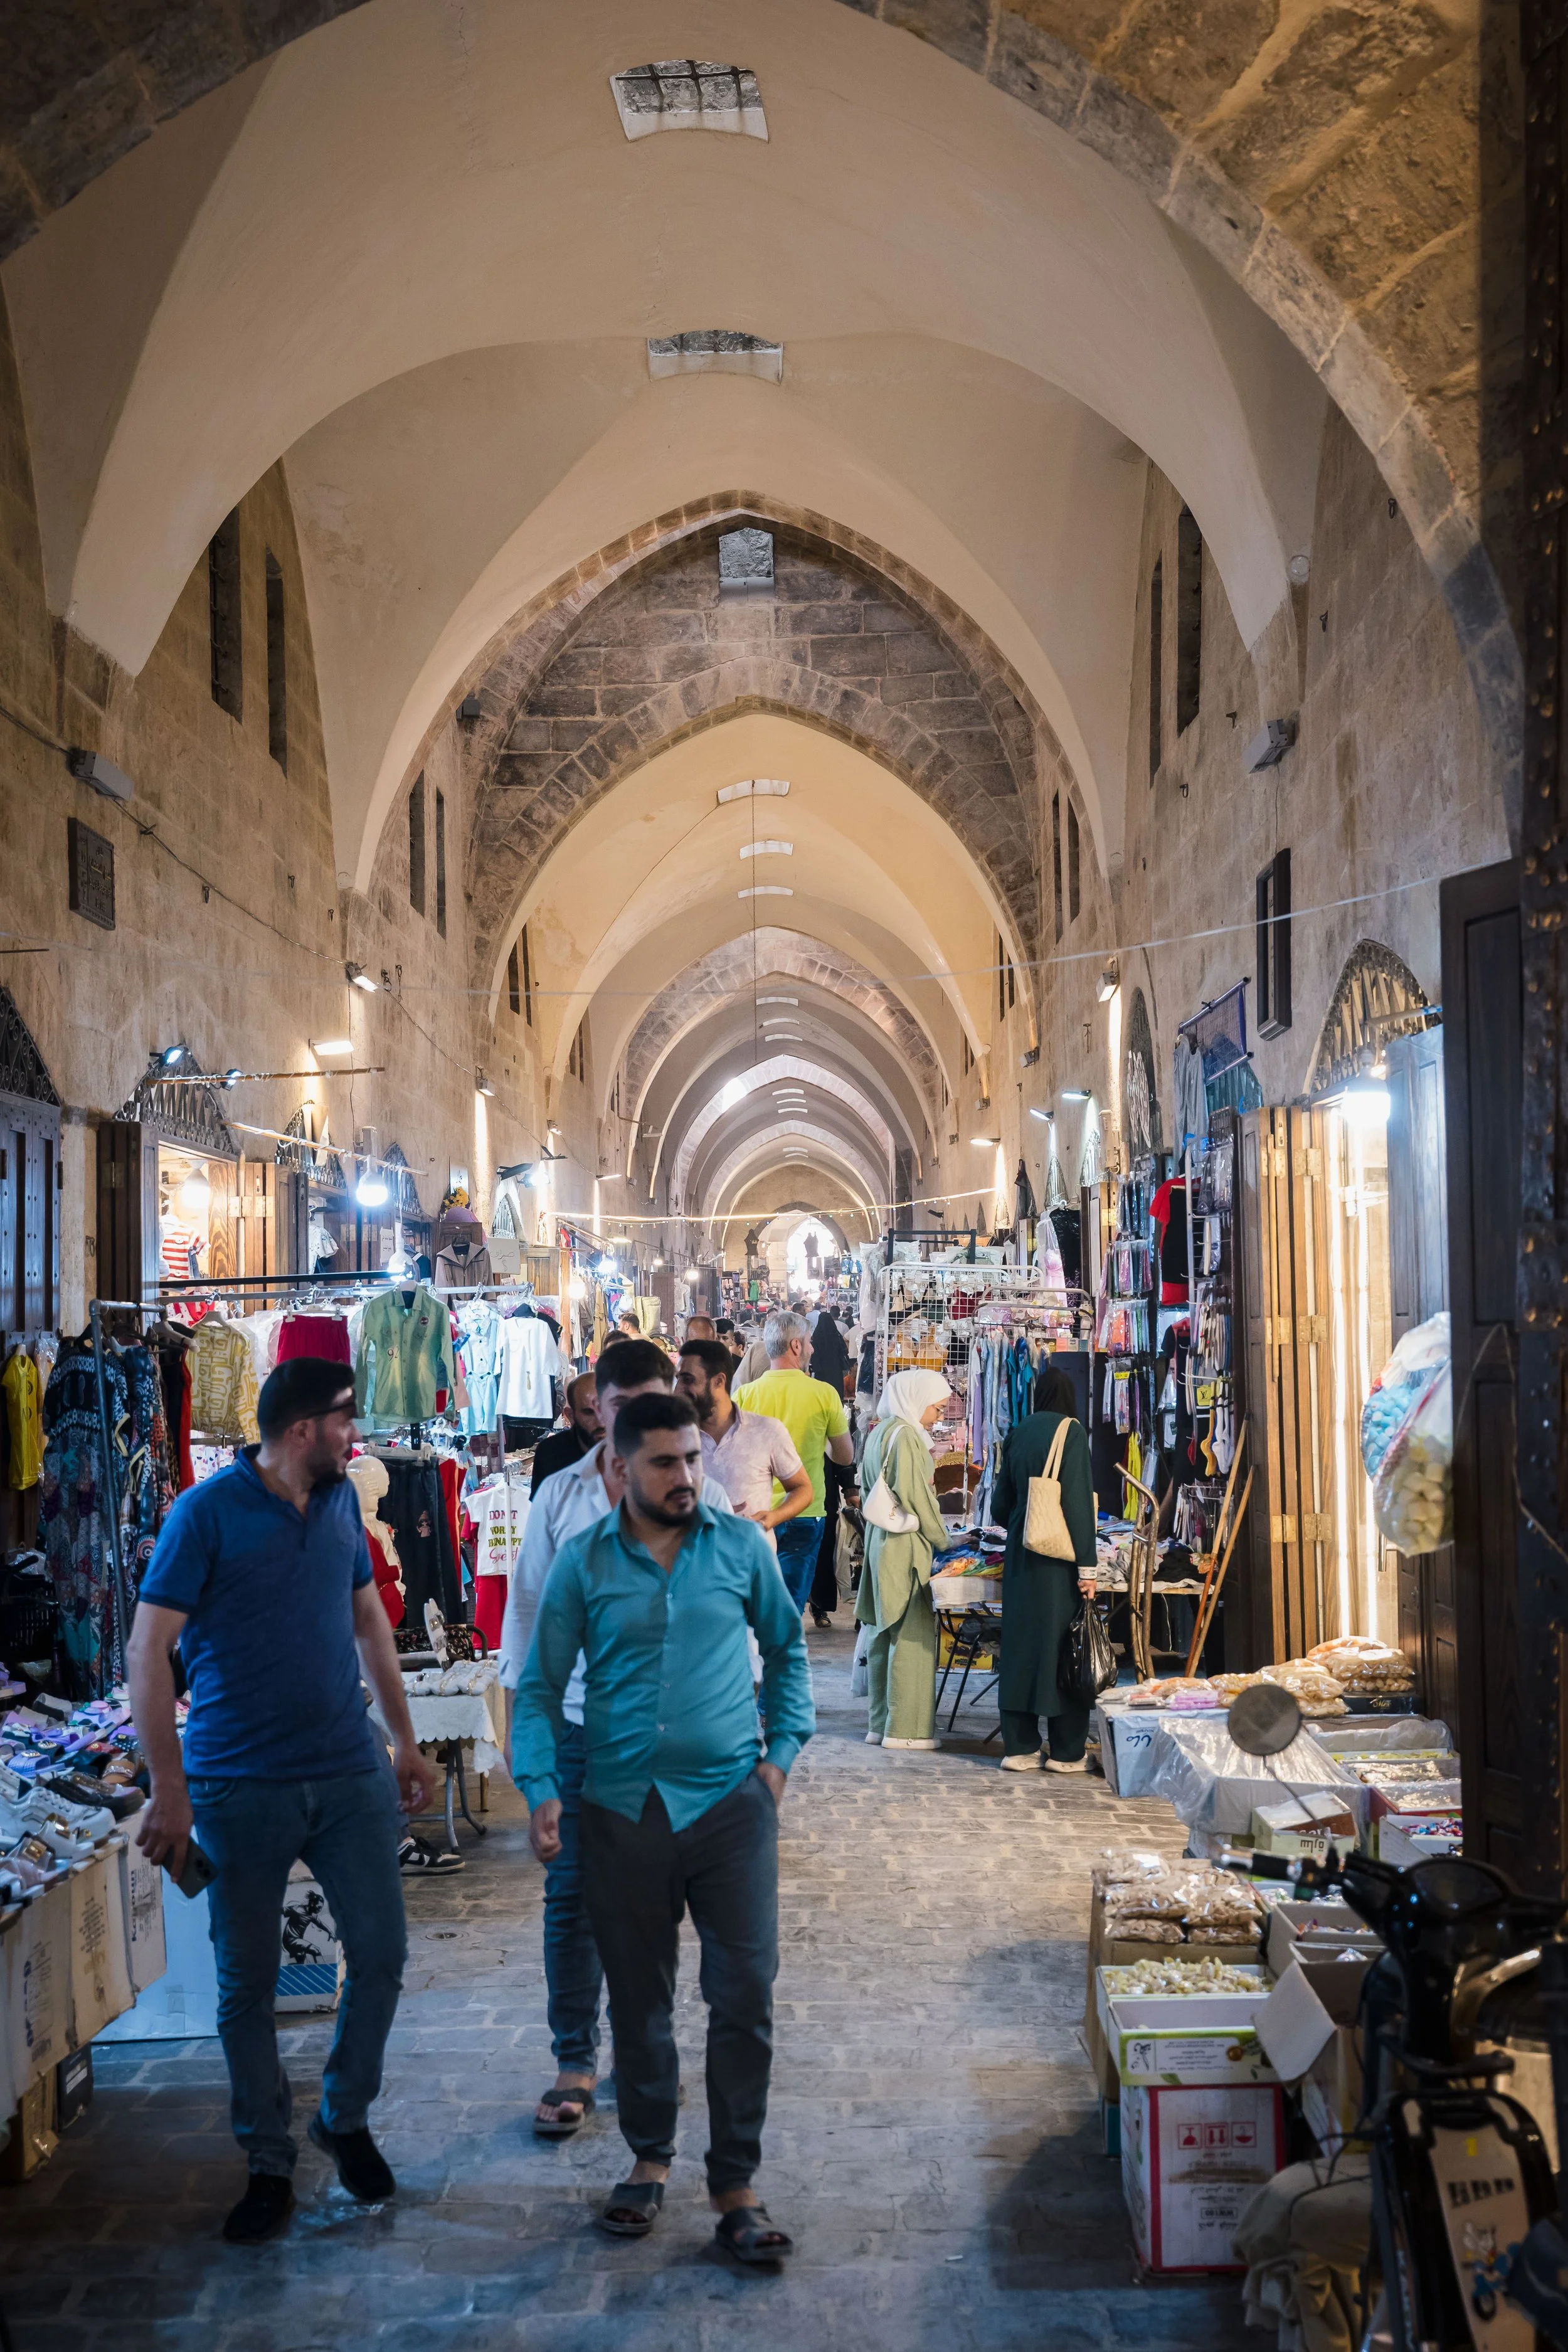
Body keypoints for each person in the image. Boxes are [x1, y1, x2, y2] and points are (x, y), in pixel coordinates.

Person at [127, 1358, 435, 2244]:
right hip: (237, 1784)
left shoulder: (340, 1502)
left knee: (379, 1952)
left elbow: (370, 1617)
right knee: (246, 1986)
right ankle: (267, 2161)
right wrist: (169, 1787)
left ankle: (342, 2112)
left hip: (348, 1771)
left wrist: (405, 1738)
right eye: (344, 1418)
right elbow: (149, 1652)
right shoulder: (205, 1515)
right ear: (302, 1428)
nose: (356, 1431)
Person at [513, 1392, 814, 2262]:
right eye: (665, 1462)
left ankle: (735, 2182)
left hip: (731, 1806)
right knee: (641, 2000)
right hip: (619, 1810)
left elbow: (787, 1651)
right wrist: (539, 1785)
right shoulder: (583, 1564)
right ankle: (649, 2157)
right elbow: (539, 1688)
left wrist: (780, 1757)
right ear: (619, 1467)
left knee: (745, 1993)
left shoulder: (741, 1548)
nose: (687, 1476)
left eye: (691, 1458)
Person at [497, 1338, 736, 2139]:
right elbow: (525, 1615)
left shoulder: (705, 1495)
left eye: (653, 1403)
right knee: (571, 1898)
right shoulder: (560, 1499)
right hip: (578, 1730)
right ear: (594, 1409)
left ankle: (651, 2053)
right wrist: (516, 1736)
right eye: (622, 1408)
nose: (639, 1423)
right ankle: (574, 2058)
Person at [989, 1364, 1099, 1772]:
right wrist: (1088, 1570)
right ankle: (1067, 1752)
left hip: (1021, 1554)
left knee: (1020, 1647)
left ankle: (1019, 1748)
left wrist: (1021, 1519)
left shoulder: (1019, 1430)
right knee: (1064, 1646)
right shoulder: (1070, 1432)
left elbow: (1000, 1504)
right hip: (1058, 1564)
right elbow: (1075, 1505)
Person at [854, 1370, 951, 1750]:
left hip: (881, 1541)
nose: (938, 1416)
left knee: (883, 1635)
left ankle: (880, 1724)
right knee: (911, 1636)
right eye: (936, 1407)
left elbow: (869, 1486)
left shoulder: (881, 1430)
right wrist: (944, 1538)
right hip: (903, 1547)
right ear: (917, 1399)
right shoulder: (908, 1436)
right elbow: (917, 1496)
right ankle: (905, 1731)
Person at [734, 1310, 853, 1613]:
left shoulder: (745, 1395)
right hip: (804, 1511)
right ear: (796, 1346)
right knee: (788, 1606)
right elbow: (845, 1456)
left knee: (756, 1599)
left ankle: (757, 1656)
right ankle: (781, 1654)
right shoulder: (824, 1394)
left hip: (756, 1513)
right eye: (810, 1342)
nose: (813, 1348)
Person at [676, 1338, 813, 1542]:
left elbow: (802, 1488)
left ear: (719, 1382)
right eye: (678, 1379)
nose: (678, 1389)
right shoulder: (672, 1439)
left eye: (688, 1380)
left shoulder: (766, 1431)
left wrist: (773, 1517)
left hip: (753, 1567)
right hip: (692, 1567)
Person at [530, 1372, 603, 1495]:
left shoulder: (630, 1449)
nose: (601, 1421)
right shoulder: (550, 1453)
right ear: (571, 1416)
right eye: (589, 1413)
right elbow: (543, 1509)